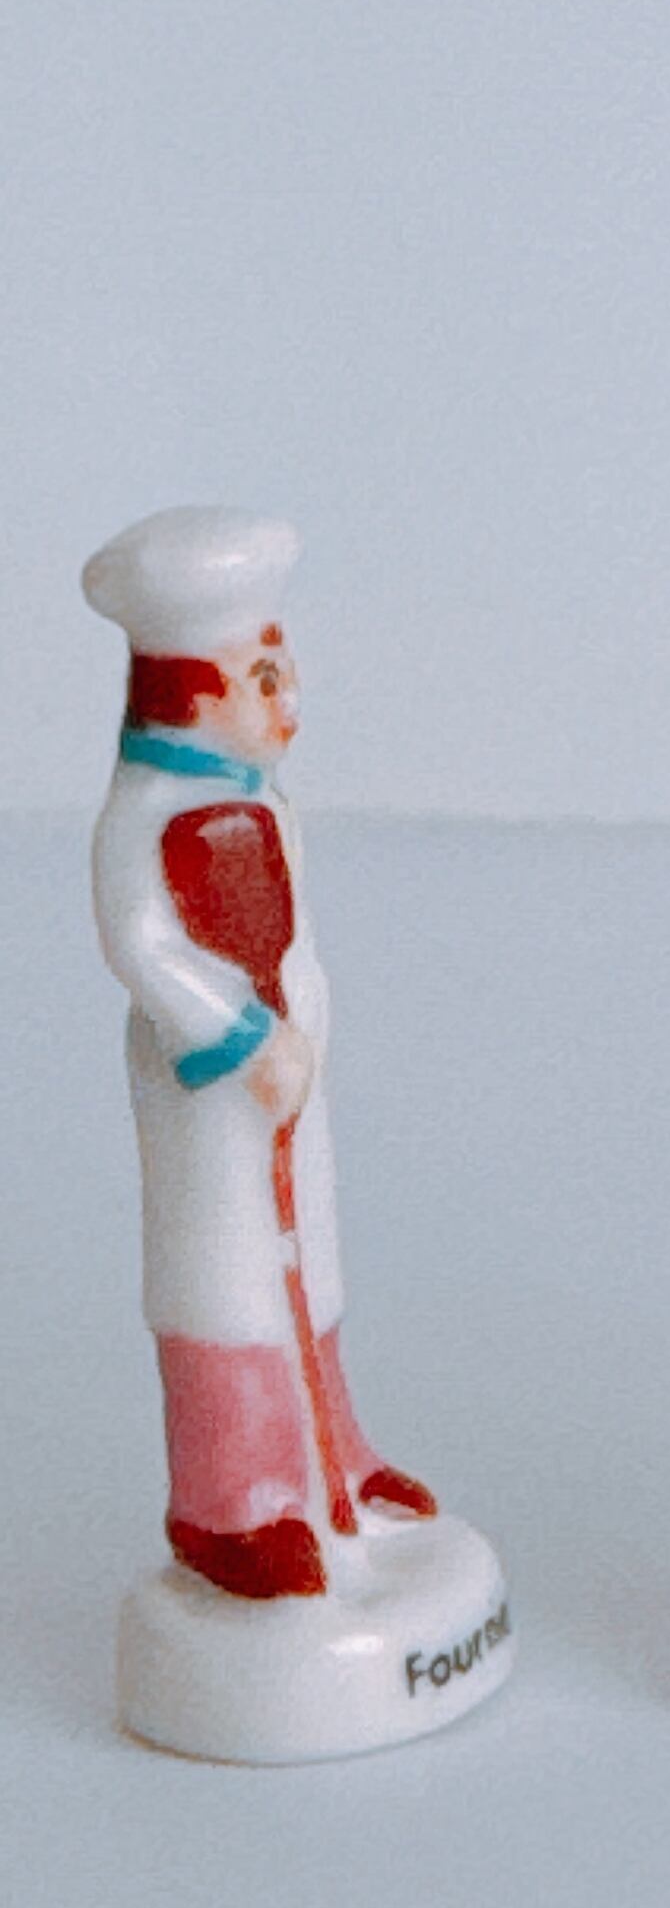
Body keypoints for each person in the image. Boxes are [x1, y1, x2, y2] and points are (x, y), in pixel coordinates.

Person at [83, 506, 436, 1601]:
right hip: (214, 1098)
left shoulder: (265, 798)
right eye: (263, 678)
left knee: (308, 1267)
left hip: (292, 1083)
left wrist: (302, 1029)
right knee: (224, 1284)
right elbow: (142, 950)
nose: (290, 702)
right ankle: (233, 1503)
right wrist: (241, 1038)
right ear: (191, 693)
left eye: (286, 671)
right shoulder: (142, 815)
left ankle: (334, 1460)